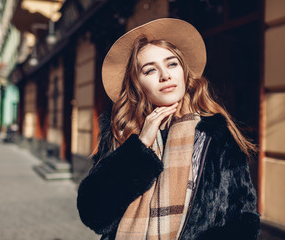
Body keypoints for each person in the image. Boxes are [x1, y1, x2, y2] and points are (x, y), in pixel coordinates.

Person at [77, 18, 260, 240]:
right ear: (137, 84)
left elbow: (243, 220)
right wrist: (139, 146)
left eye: (171, 64)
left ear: (184, 71)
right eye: (150, 70)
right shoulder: (120, 133)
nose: (165, 75)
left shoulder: (215, 132)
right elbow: (94, 214)